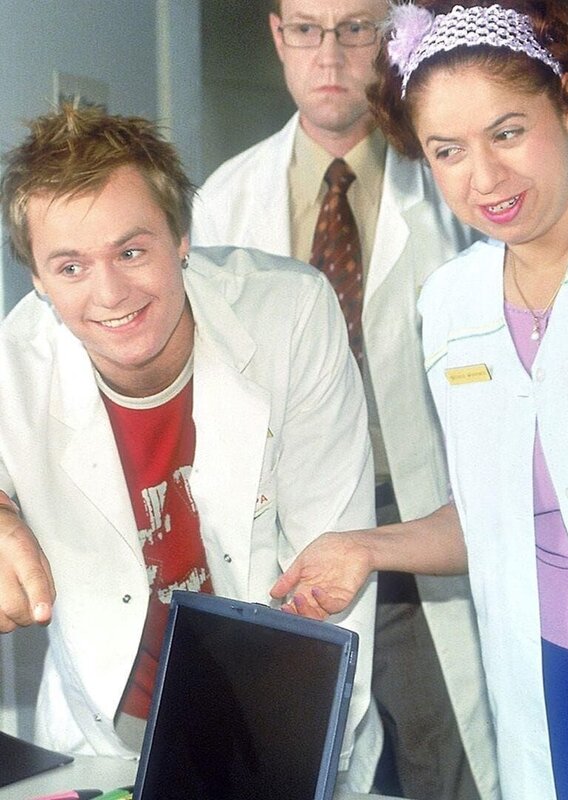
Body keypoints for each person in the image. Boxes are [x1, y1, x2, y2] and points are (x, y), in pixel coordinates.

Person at [0, 104, 381, 789]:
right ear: (37, 278)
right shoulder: (14, 363)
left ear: (181, 238)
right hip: (104, 730)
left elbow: (332, 561)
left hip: (276, 713)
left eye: (131, 251)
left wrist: (300, 764)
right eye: (70, 266)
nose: (110, 293)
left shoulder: (290, 313)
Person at [191, 1, 498, 798]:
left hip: (422, 520)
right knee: (303, 763)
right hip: (290, 539)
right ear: (277, 35)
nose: (328, 55)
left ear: (391, 36)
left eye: (356, 28)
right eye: (306, 28)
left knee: (447, 763)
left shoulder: (454, 180)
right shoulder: (223, 201)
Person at [271, 1, 568, 797]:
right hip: (539, 664)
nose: (485, 177)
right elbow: (490, 517)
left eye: (507, 132)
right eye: (448, 151)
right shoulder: (452, 304)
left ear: (565, 106)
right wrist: (366, 548)